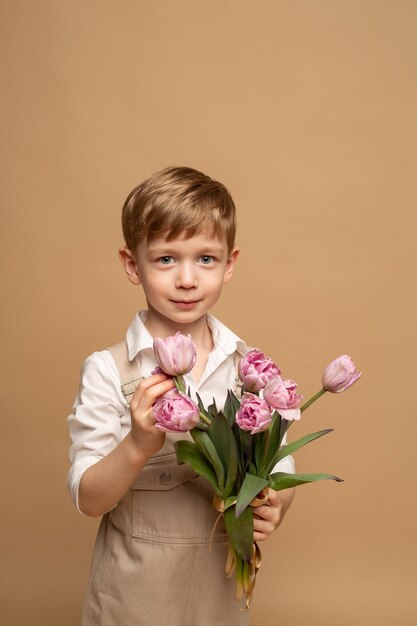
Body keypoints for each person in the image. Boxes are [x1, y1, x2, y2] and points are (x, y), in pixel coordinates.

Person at [67, 166, 295, 626]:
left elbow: (281, 464)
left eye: (205, 259)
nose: (187, 279)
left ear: (229, 264)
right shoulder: (109, 370)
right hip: (133, 596)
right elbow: (89, 499)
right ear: (133, 265)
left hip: (220, 593)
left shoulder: (248, 368)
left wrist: (275, 506)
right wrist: (136, 445)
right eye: (167, 259)